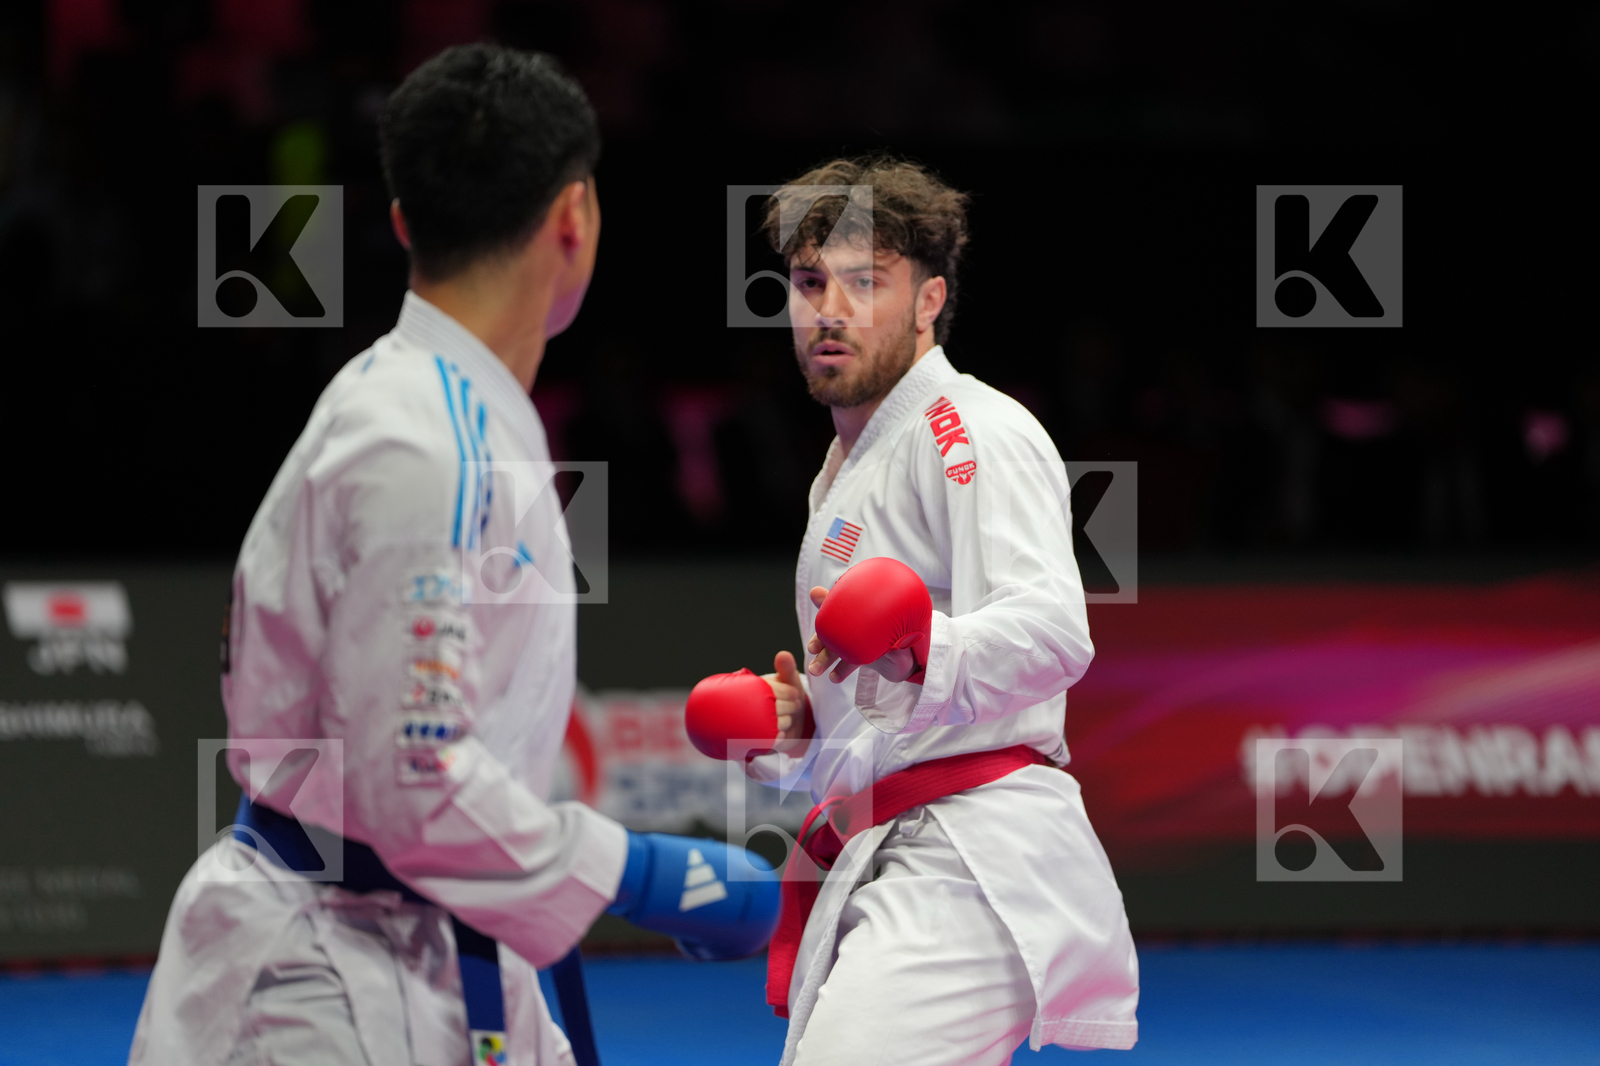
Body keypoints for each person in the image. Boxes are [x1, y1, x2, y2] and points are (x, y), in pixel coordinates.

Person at [130, 45, 775, 1066]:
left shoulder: (458, 412)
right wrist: (648, 874)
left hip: (432, 942)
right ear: (575, 219)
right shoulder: (418, 439)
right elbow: (413, 776)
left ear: (399, 224)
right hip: (320, 974)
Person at [687, 156, 1139, 1064]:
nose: (830, 310)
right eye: (810, 283)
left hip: (972, 858)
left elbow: (1054, 630)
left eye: (865, 283)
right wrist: (801, 734)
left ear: (930, 299)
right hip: (891, 845)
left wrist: (919, 645)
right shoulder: (843, 474)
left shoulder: (971, 429)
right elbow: (888, 714)